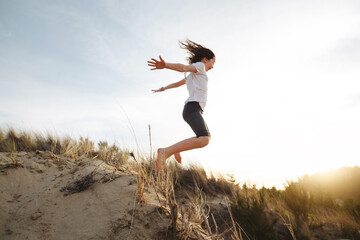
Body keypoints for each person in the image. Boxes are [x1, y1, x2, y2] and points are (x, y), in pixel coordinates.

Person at [148, 39, 216, 171]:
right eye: (212, 63)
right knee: (204, 139)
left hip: (192, 110)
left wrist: (162, 88)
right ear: (205, 59)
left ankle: (174, 150)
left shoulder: (192, 75)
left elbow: (176, 84)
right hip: (193, 108)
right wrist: (165, 65)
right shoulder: (200, 67)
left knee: (203, 137)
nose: (212, 67)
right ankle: (166, 152)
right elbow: (183, 67)